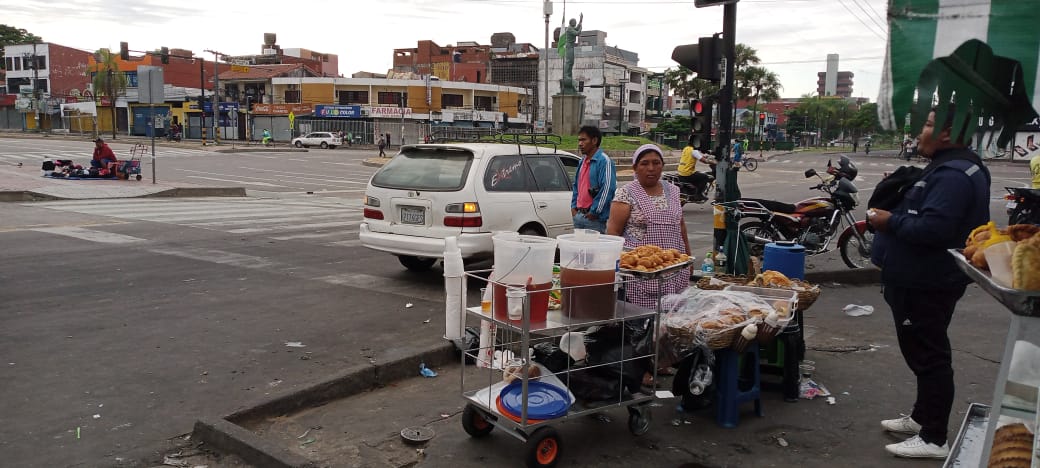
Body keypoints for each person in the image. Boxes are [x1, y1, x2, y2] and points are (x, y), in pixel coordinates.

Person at [867, 107, 991, 459]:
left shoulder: (953, 174)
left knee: (929, 357)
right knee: (922, 352)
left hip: (925, 282)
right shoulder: (950, 167)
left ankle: (934, 438)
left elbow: (934, 230)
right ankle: (922, 418)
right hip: (920, 279)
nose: (921, 131)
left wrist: (889, 221)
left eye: (928, 124)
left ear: (949, 134)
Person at [607, 144, 691, 308]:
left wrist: (688, 257)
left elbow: (681, 225)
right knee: (642, 321)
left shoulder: (673, 191)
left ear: (662, 165)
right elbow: (613, 233)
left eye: (656, 163)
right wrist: (614, 269)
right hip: (640, 272)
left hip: (672, 267)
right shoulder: (626, 193)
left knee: (672, 317)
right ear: (635, 168)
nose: (651, 168)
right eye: (644, 163)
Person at [570, 125, 616, 233]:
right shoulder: (582, 161)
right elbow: (576, 186)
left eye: (583, 140)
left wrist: (595, 211)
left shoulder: (604, 161)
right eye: (579, 140)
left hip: (594, 220)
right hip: (579, 216)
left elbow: (608, 188)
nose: (580, 144)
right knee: (579, 249)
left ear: (594, 140)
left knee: (594, 250)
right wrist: (573, 207)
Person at [677, 134, 715, 201]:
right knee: (705, 177)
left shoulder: (686, 148)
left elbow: (697, 156)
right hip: (688, 173)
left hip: (681, 172)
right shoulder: (694, 150)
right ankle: (699, 194)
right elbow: (704, 161)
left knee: (698, 173)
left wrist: (705, 156)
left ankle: (694, 190)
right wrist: (713, 162)